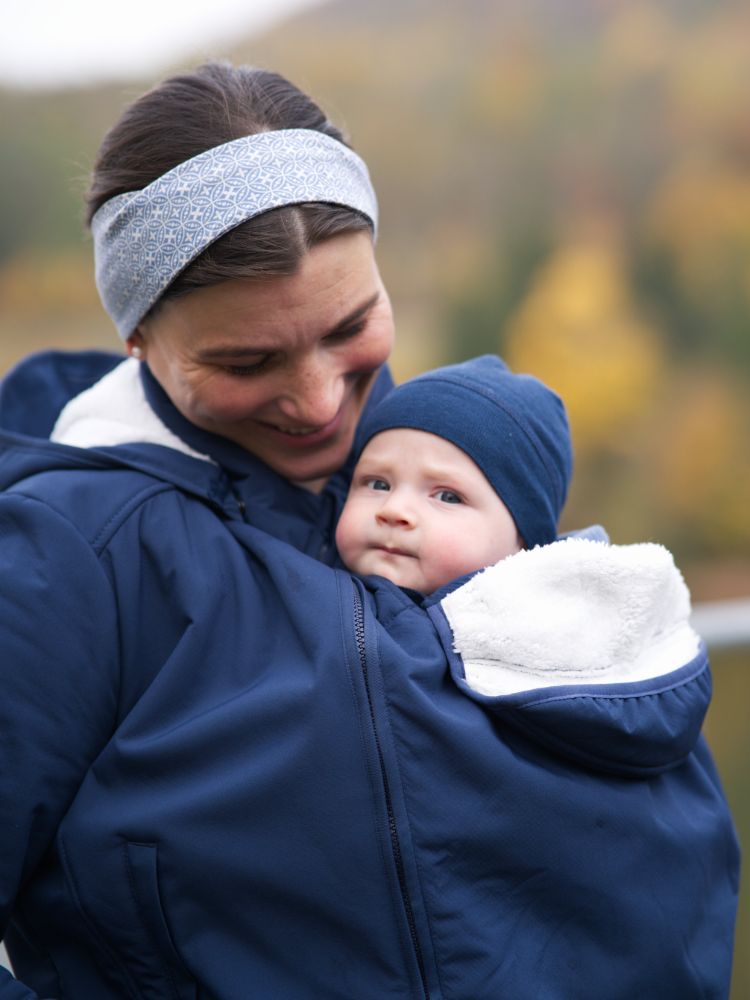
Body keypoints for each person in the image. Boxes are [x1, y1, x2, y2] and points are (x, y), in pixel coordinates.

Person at [0, 62, 738, 1000]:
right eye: (246, 359)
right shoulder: (63, 553)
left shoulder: (444, 470)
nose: (317, 405)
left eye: (349, 325)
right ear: (140, 341)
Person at [335, 354, 571, 593]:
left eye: (447, 497)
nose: (393, 509)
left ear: (522, 542)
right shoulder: (313, 594)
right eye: (378, 484)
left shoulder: (537, 628)